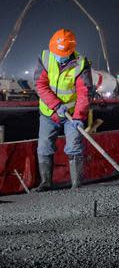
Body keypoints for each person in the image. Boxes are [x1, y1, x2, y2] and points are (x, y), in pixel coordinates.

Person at [33, 29, 93, 191]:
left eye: (61, 53)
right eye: (56, 52)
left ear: (70, 51)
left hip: (72, 115)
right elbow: (40, 85)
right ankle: (46, 183)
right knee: (44, 145)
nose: (58, 56)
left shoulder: (81, 64)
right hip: (48, 112)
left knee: (74, 145)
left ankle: (76, 185)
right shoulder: (45, 58)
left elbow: (84, 92)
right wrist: (56, 105)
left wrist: (79, 116)